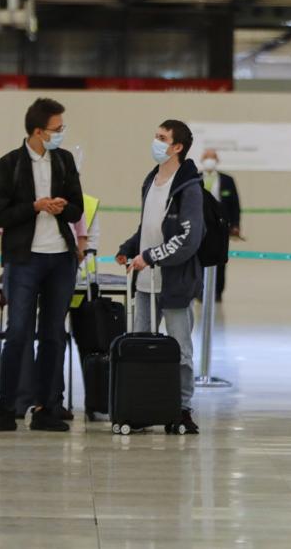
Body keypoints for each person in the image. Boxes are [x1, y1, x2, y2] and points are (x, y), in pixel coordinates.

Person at [0, 97, 83, 433]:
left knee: (53, 334)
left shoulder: (64, 161)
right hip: (24, 260)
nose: (61, 134)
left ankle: (46, 407)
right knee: (18, 333)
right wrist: (35, 206)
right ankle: (6, 408)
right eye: (56, 129)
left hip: (60, 260)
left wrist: (60, 207)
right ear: (38, 131)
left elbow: (78, 210)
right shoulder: (9, 164)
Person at [116, 120, 205, 434]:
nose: (155, 142)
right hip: (144, 281)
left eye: (162, 138)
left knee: (180, 349)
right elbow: (148, 227)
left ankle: (182, 408)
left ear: (177, 147)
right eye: (155, 135)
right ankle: (141, 404)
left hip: (176, 283)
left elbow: (188, 238)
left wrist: (151, 256)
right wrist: (130, 248)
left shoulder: (189, 188)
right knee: (141, 344)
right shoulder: (151, 180)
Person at [198, 148, 241, 301]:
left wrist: (235, 225)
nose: (210, 160)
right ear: (202, 159)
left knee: (220, 259)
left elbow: (235, 204)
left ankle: (217, 292)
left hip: (220, 226)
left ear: (217, 160)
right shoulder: (195, 178)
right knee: (200, 258)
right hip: (200, 225)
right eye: (207, 157)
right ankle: (199, 290)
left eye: (213, 157)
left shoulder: (227, 180)